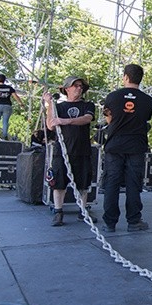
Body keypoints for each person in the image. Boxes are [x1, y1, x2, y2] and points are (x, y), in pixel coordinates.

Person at [100, 63, 152, 233]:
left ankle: (110, 223)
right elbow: (144, 120)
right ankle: (134, 221)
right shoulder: (148, 100)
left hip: (115, 145)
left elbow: (109, 119)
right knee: (133, 184)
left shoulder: (112, 97)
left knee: (112, 183)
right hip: (136, 146)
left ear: (126, 77)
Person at [42, 76, 97, 227]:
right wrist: (49, 105)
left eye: (81, 86)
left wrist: (66, 121)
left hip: (82, 150)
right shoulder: (59, 107)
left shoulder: (88, 105)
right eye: (75, 86)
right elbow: (51, 125)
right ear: (67, 88)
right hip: (62, 150)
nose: (79, 88)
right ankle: (58, 212)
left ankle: (82, 211)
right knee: (59, 183)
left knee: (83, 184)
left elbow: (86, 119)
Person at [0, 74, 24, 140]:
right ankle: (4, 136)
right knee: (5, 121)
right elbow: (15, 96)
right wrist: (20, 103)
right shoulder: (9, 88)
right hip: (7, 106)